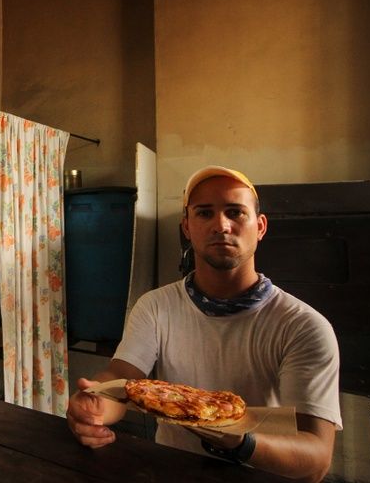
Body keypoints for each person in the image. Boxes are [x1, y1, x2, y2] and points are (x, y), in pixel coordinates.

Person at [66, 166, 342, 483]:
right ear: (186, 226)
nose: (221, 225)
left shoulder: (302, 327)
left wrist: (240, 440)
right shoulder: (156, 307)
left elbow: (316, 460)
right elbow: (121, 380)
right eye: (204, 213)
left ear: (260, 227)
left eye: (236, 212)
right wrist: (94, 407)